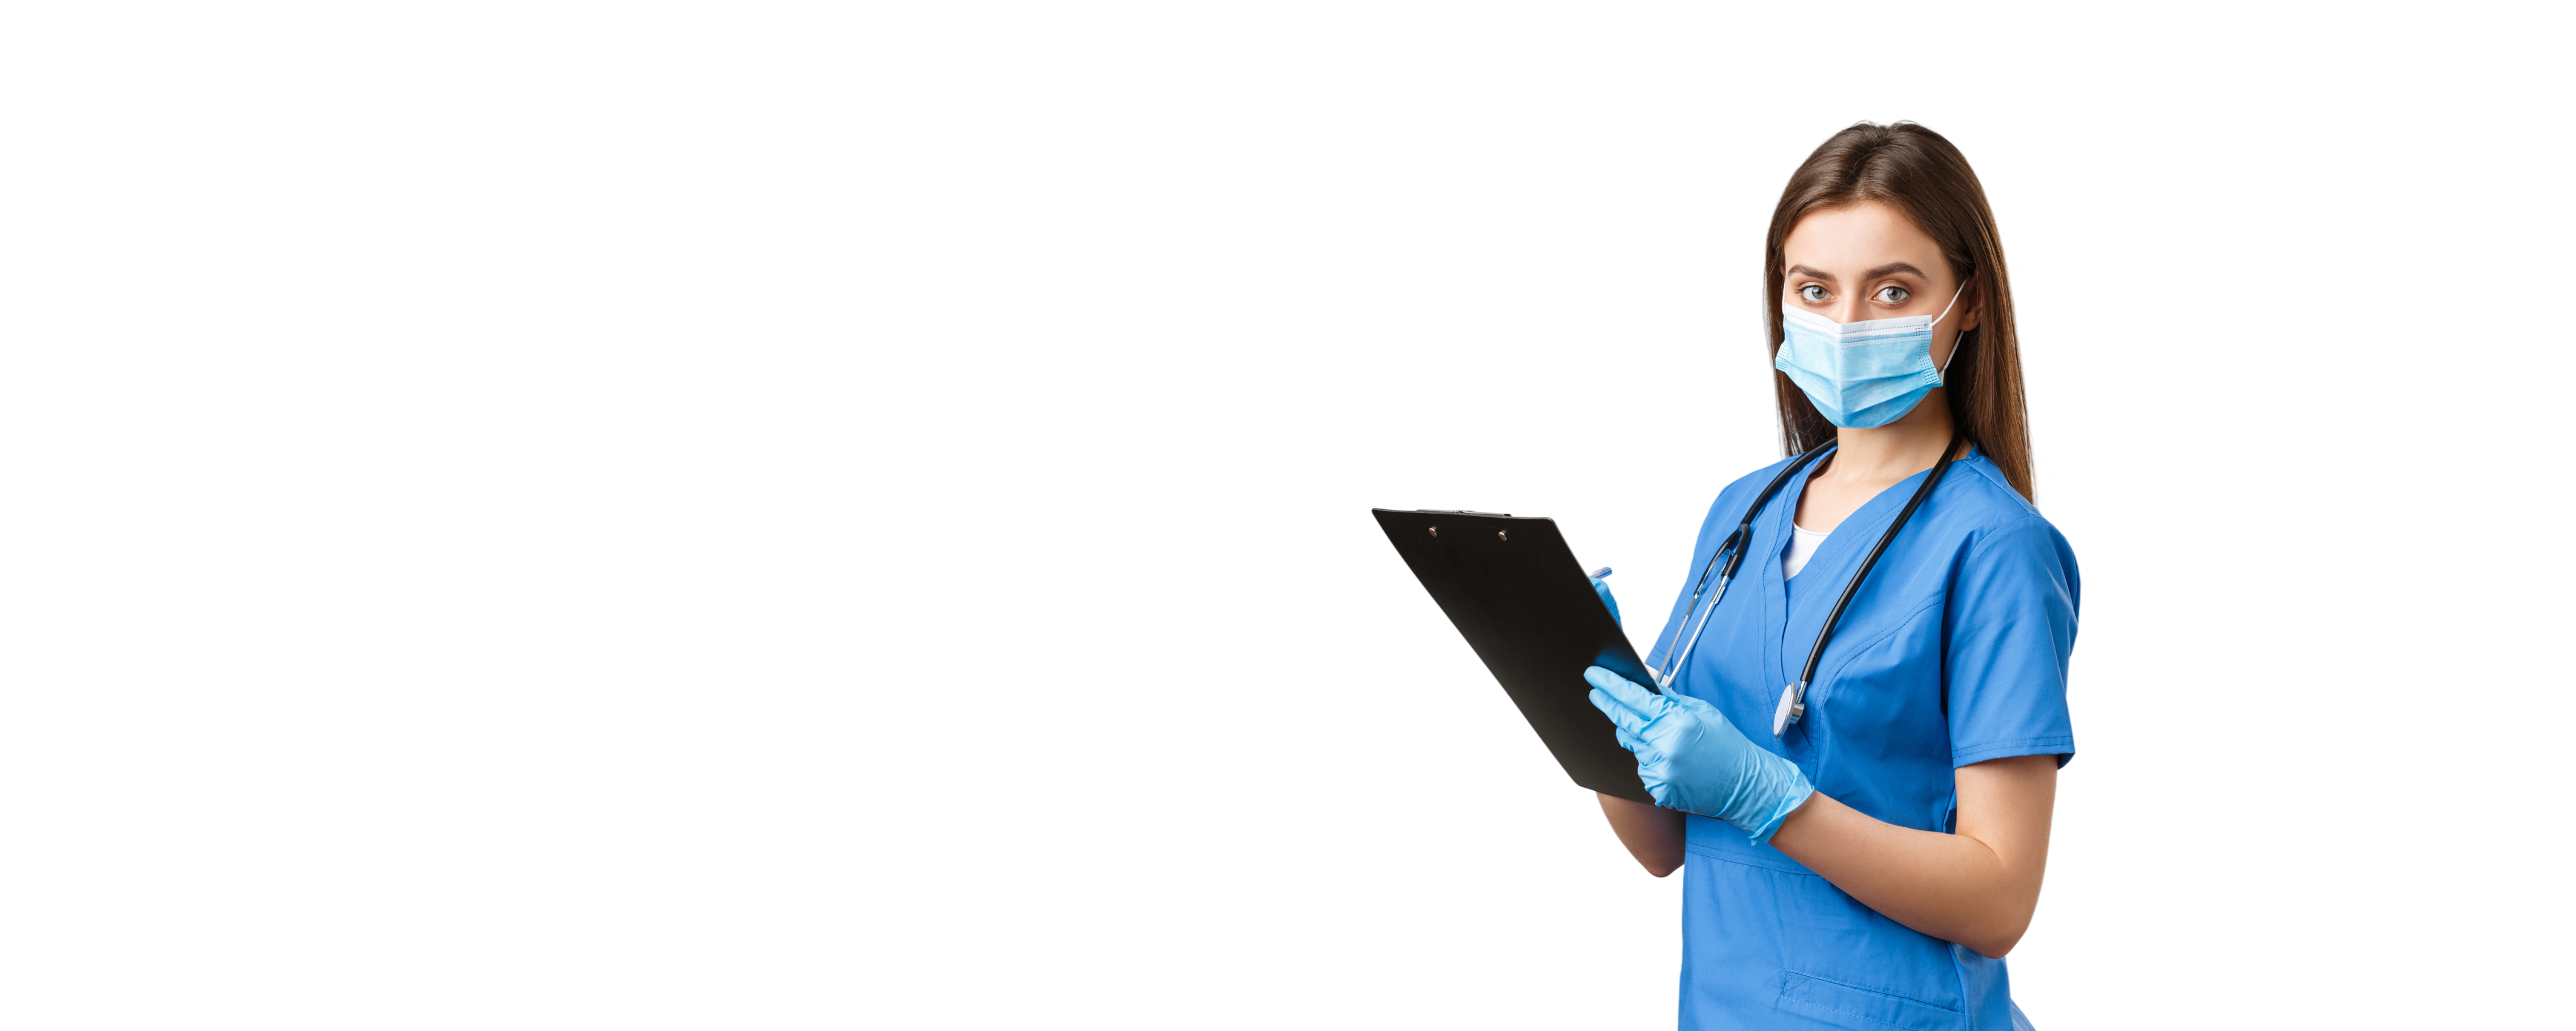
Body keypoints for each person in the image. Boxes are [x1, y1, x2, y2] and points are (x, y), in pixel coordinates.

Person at [1584, 119, 2077, 1030]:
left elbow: (2002, 902)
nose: (1846, 325)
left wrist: (1769, 796)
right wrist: (1577, 687)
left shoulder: (1995, 545)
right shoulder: (1742, 511)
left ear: (1969, 300)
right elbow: (1661, 847)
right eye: (1814, 289)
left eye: (1893, 290)